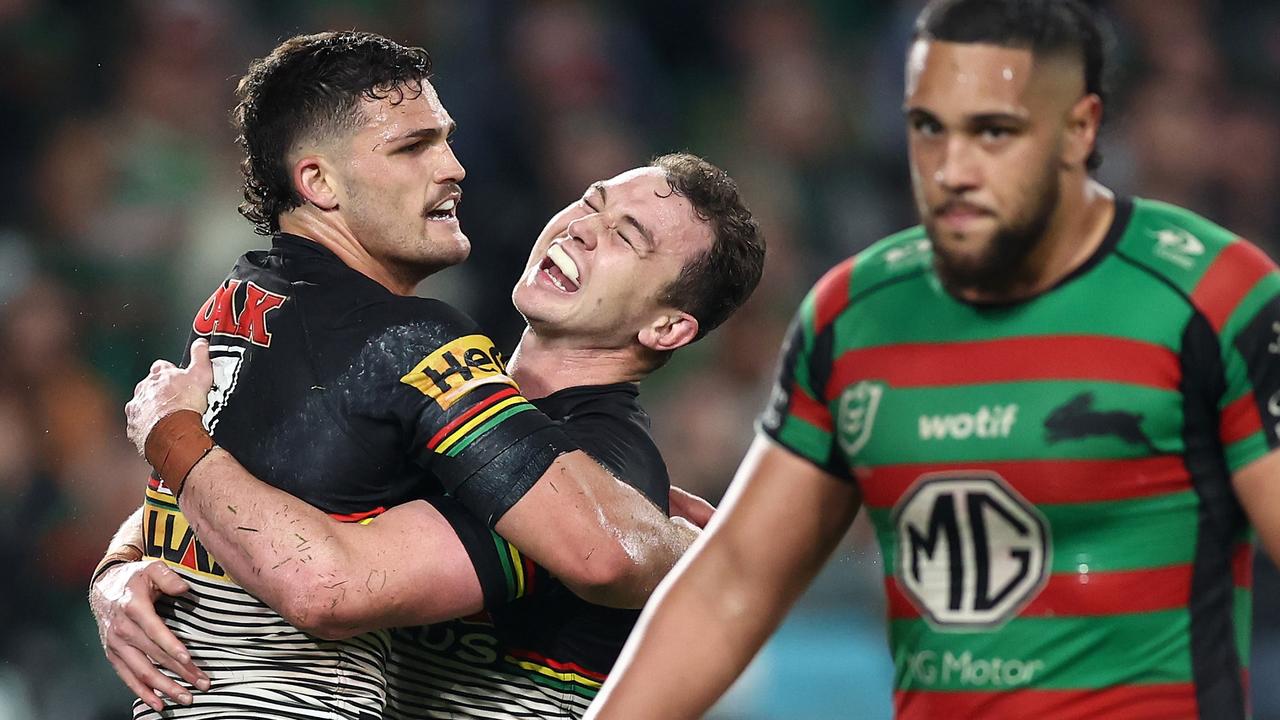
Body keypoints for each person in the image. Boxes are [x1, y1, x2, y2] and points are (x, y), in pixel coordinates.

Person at [586, 1, 1280, 719]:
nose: (952, 169)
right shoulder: (855, 315)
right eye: (929, 127)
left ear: (1080, 129)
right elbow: (733, 585)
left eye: (993, 132)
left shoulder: (1214, 297)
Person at [84, 31, 708, 720]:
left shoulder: (244, 301)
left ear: (669, 326)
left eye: (627, 237)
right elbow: (310, 568)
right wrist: (116, 570)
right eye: (413, 147)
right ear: (318, 182)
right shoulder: (407, 348)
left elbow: (250, 488)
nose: (454, 168)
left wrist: (137, 521)